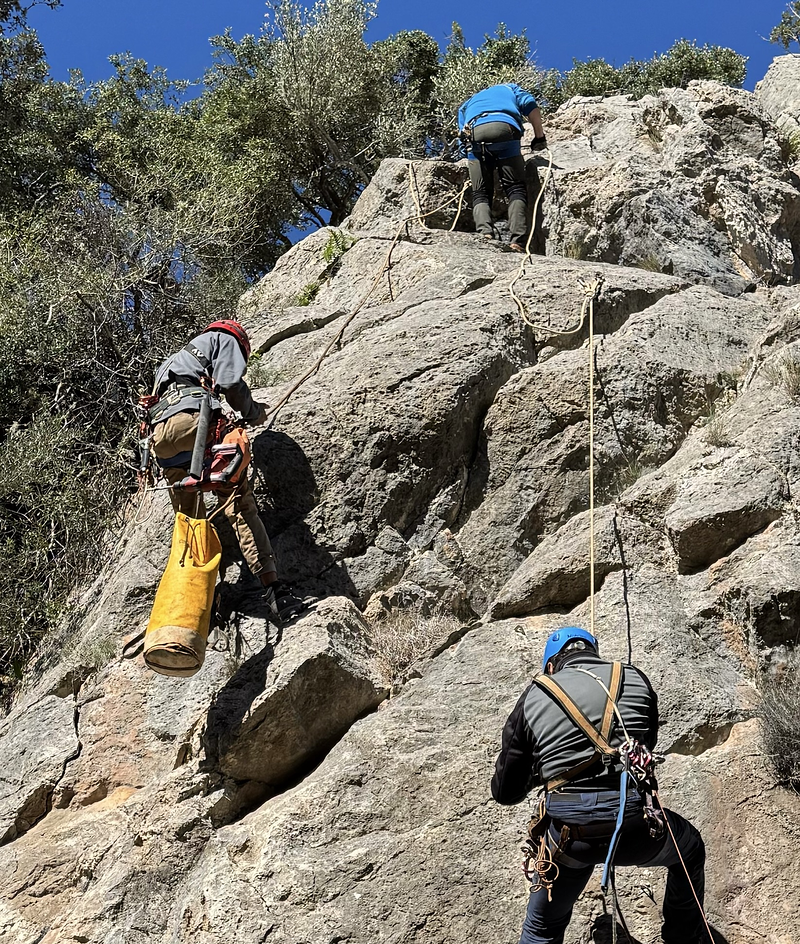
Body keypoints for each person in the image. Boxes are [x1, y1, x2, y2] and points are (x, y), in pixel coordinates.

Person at [492, 627, 707, 944]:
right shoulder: (632, 677)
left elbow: (506, 792)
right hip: (636, 830)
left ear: (551, 665)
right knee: (690, 850)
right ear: (593, 653)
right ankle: (682, 938)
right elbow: (644, 748)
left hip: (570, 838)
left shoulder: (537, 692)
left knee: (541, 928)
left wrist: (546, 769)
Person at [148, 318, 306, 624]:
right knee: (239, 501)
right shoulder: (225, 338)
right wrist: (253, 410)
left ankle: (194, 604)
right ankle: (275, 591)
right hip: (194, 422)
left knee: (190, 519)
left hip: (162, 441)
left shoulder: (174, 361)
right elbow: (231, 384)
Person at [458, 82, 548, 252]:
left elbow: (462, 140)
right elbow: (530, 105)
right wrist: (539, 137)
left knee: (480, 192)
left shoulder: (468, 102)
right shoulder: (510, 88)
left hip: (476, 135)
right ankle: (517, 242)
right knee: (515, 189)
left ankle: (485, 235)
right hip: (503, 128)